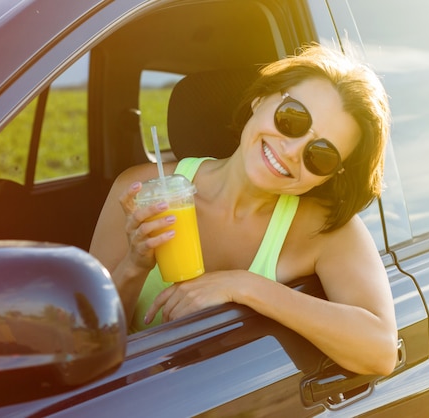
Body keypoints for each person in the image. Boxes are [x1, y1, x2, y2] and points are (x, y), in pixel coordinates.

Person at [90, 44, 398, 376]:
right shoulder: (139, 191)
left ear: (332, 174)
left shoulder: (323, 230)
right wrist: (135, 265)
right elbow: (86, 341)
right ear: (261, 99)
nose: (292, 151)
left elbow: (380, 351)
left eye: (321, 154)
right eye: (292, 118)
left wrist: (246, 286)